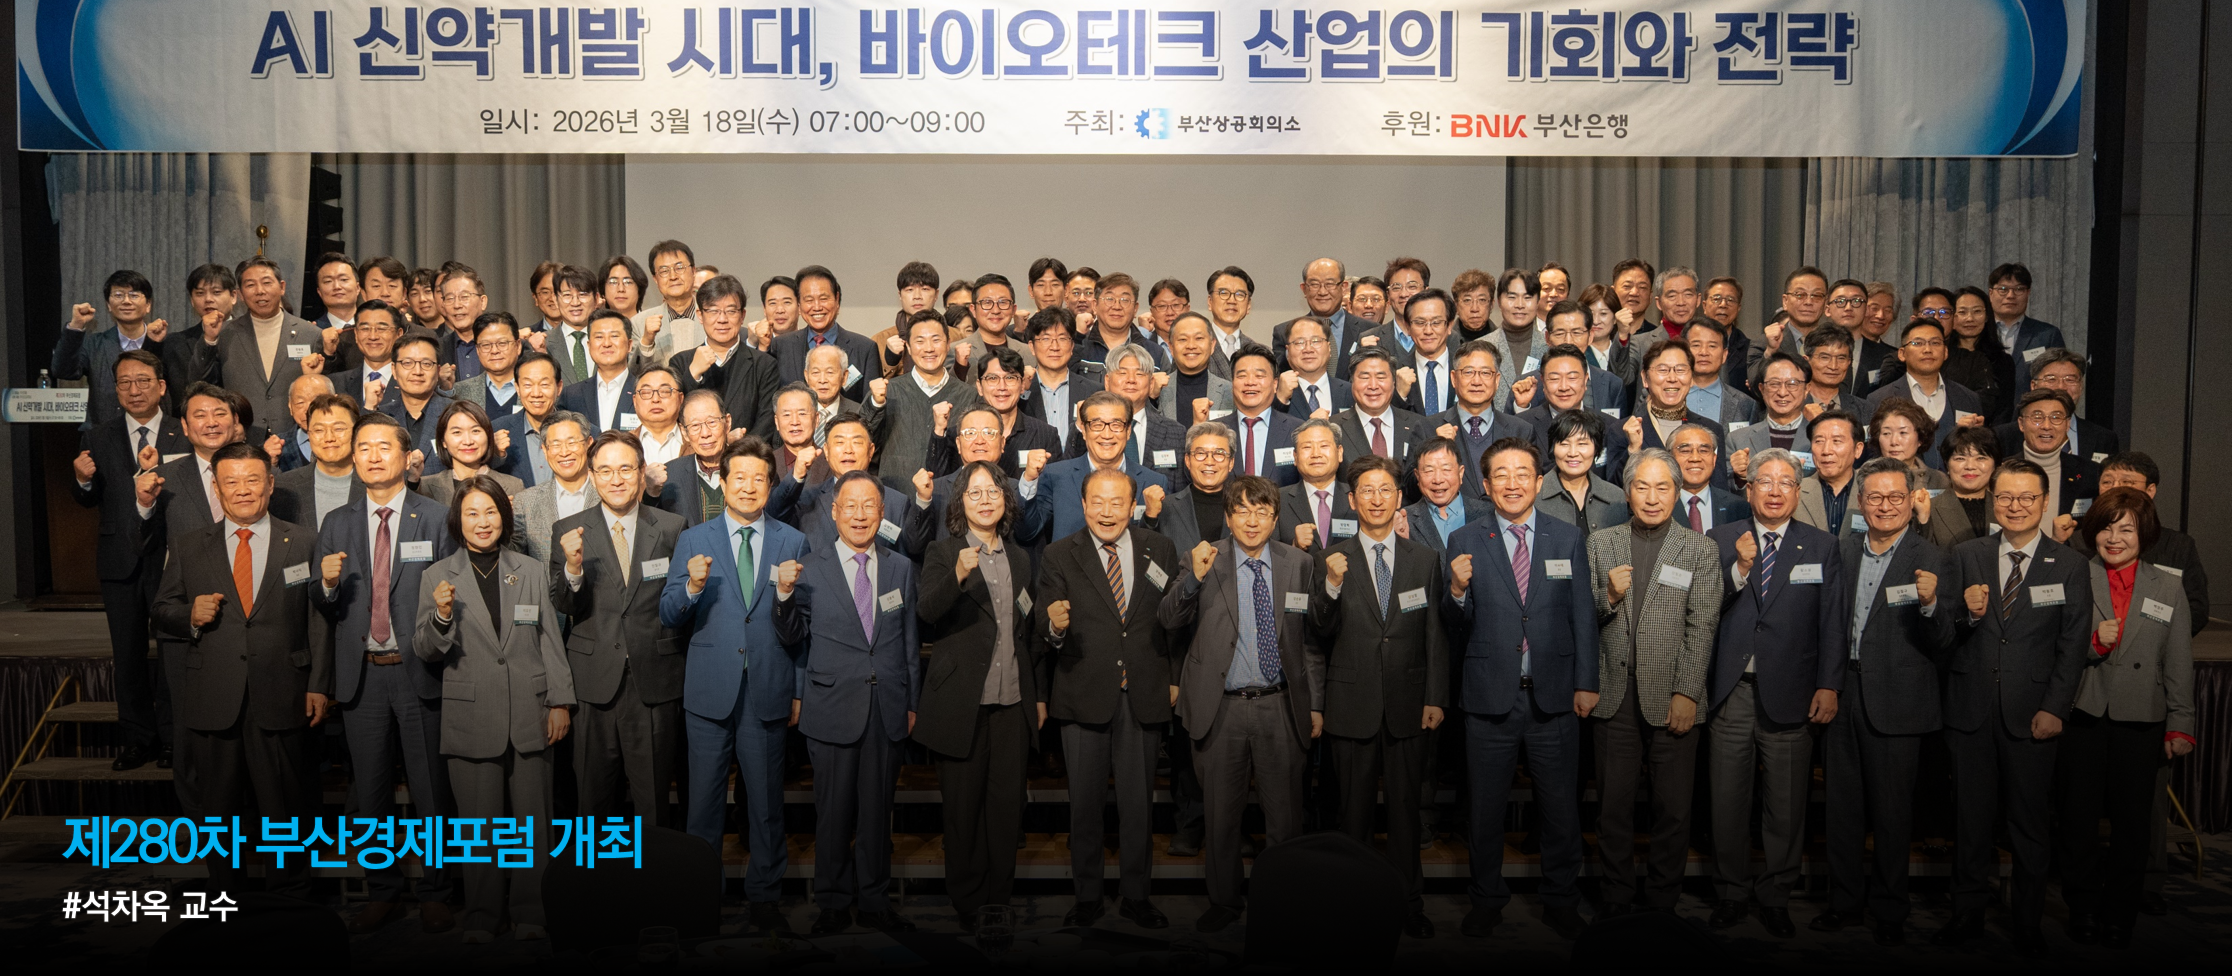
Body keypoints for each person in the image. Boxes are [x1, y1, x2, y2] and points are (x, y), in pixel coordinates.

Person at [151, 441, 329, 894]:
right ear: (217, 487)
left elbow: (318, 620)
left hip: (284, 692)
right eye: (231, 482)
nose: (243, 490)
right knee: (218, 813)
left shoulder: (304, 541)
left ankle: (290, 903)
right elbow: (161, 610)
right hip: (214, 696)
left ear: (270, 484)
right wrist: (189, 615)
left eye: (253, 480)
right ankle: (226, 902)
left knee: (286, 811)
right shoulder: (190, 546)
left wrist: (319, 684)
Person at [654, 437, 812, 934]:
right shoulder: (693, 539)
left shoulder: (792, 541)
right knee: (702, 807)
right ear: (722, 484)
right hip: (708, 692)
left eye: (758, 478)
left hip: (768, 687)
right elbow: (668, 613)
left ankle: (765, 899)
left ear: (770, 485)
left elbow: (802, 629)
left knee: (765, 806)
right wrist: (692, 587)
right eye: (738, 477)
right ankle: (701, 900)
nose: (748, 486)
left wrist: (798, 688)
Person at [1934, 458, 2091, 957]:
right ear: (1993, 501)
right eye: (2005, 497)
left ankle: (2027, 922)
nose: (2015, 506)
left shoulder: (2069, 564)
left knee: (2029, 826)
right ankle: (1966, 916)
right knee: (1970, 823)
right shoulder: (1967, 555)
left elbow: (2073, 645)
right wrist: (1967, 614)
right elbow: (1943, 633)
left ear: (2044, 503)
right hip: (1971, 711)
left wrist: (2056, 708)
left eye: (2026, 498)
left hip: (2033, 713)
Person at [1441, 438, 1595, 939]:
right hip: (1489, 696)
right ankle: (1486, 899)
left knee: (1560, 808)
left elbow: (1582, 614)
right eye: (1501, 475)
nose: (1512, 484)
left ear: (1539, 481)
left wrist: (1586, 682)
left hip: (1554, 694)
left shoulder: (1566, 537)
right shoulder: (1465, 538)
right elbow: (1453, 626)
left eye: (1522, 474)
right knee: (1484, 809)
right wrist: (1456, 591)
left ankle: (1561, 899)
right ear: (1485, 486)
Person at [312, 412, 456, 933]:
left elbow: (452, 595)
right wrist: (326, 586)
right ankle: (383, 890)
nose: (373, 456)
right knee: (370, 794)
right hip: (363, 676)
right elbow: (322, 607)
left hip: (420, 671)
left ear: (406, 456)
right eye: (363, 448)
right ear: (354, 458)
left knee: (431, 791)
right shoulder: (337, 522)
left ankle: (438, 892)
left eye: (383, 447)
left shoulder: (436, 517)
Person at [1159, 473, 1322, 933]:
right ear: (1228, 518)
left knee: (1284, 818)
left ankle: (1282, 905)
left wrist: (1315, 702)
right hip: (1221, 707)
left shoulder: (1298, 564)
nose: (1252, 521)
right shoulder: (1204, 558)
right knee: (1222, 818)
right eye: (1242, 511)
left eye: (1262, 512)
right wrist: (1194, 578)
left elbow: (1310, 642)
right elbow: (1168, 618)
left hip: (1280, 706)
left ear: (1275, 517)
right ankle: (1224, 901)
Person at [412, 475, 572, 942]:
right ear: (457, 521)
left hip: (531, 709)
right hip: (471, 714)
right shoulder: (437, 575)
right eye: (472, 514)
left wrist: (560, 700)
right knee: (478, 829)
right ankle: (483, 915)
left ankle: (532, 912)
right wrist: (442, 616)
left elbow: (549, 639)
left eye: (491, 512)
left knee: (533, 826)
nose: (483, 522)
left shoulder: (531, 569)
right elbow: (424, 649)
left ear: (504, 516)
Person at [1813, 457, 1956, 945]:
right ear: (1861, 501)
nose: (1885, 506)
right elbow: (1830, 624)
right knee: (1842, 810)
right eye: (1874, 497)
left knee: (1893, 815)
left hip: (1900, 701)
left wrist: (1931, 604)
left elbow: (1945, 642)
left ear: (1912, 501)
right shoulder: (1843, 551)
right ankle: (1844, 904)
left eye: (1896, 497)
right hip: (1843, 694)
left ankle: (1891, 909)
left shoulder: (1932, 557)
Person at [1705, 448, 1846, 938]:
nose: (1775, 491)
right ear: (1748, 490)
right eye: (1765, 482)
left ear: (1798, 491)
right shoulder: (1721, 539)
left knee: (1785, 806)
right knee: (1727, 801)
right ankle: (1730, 893)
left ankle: (1775, 896)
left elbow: (1832, 623)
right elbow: (1704, 608)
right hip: (1731, 692)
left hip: (1793, 692)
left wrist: (1829, 684)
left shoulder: (1822, 545)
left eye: (1786, 483)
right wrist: (1740, 570)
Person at [1032, 466, 1182, 927]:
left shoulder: (1160, 548)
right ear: (1083, 505)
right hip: (1083, 693)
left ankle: (1137, 896)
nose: (1107, 511)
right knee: (1085, 807)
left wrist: (1174, 676)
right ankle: (1088, 898)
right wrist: (1054, 625)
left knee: (1138, 807)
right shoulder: (1059, 554)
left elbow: (1174, 620)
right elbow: (1044, 622)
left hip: (1143, 692)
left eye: (1117, 502)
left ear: (1133, 507)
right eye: (1097, 502)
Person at [1308, 455, 1448, 938]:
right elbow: (1318, 629)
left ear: (1399, 497)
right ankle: (1356, 904)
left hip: (1409, 703)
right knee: (1353, 814)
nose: (1376, 499)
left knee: (1407, 812)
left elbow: (1434, 634)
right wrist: (1331, 585)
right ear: (1351, 500)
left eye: (1385, 490)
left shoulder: (1424, 559)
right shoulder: (1331, 558)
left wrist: (1435, 696)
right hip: (1352, 703)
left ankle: (1409, 903)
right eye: (1366, 491)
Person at [774, 471, 919, 934]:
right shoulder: (809, 568)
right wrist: (782, 597)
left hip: (886, 707)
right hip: (831, 706)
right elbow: (792, 636)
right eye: (850, 506)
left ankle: (875, 900)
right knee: (833, 814)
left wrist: (911, 702)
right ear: (834, 512)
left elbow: (908, 642)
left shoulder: (900, 568)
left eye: (868, 506)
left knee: (878, 814)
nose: (859, 515)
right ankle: (833, 902)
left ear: (882, 512)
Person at [1586, 446, 1723, 916]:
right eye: (1641, 487)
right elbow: (1583, 618)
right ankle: (1616, 900)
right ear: (1627, 493)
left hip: (1673, 697)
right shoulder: (1601, 544)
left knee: (1673, 811)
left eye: (1662, 487)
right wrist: (1608, 596)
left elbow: (1702, 625)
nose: (1651, 497)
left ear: (1677, 492)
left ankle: (1663, 904)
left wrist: (1687, 692)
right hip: (1615, 697)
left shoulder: (1700, 549)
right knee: (1613, 810)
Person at [2054, 488, 2194, 950]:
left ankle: (2120, 914)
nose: (2114, 538)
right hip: (2084, 712)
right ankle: (2082, 908)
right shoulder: (2074, 575)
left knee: (2134, 826)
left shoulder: (2167, 586)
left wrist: (2181, 722)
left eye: (2126, 529)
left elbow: (2178, 661)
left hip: (2141, 717)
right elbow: (2050, 647)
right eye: (2107, 528)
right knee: (2077, 819)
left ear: (2144, 534)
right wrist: (2093, 643)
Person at [911, 462, 1039, 930]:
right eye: (975, 493)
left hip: (1012, 701)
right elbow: (926, 612)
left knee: (1006, 810)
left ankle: (997, 900)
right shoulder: (943, 552)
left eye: (993, 492)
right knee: (963, 811)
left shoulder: (1020, 558)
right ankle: (967, 901)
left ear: (1006, 500)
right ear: (960, 503)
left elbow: (1025, 627)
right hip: (960, 701)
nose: (985, 500)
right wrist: (957, 576)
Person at [551, 430, 687, 830]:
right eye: (606, 470)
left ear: (642, 473)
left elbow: (677, 603)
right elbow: (565, 605)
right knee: (591, 800)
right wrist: (572, 569)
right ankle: (593, 873)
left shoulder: (671, 527)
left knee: (653, 802)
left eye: (626, 469)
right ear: (592, 475)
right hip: (593, 682)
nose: (616, 479)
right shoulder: (569, 529)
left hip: (654, 680)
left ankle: (652, 871)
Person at [72, 349, 187, 770]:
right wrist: (82, 481)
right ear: (115, 390)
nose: (134, 390)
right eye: (124, 382)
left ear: (161, 386)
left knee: (173, 653)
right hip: (119, 559)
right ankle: (140, 739)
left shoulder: (183, 431)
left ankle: (174, 737)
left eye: (143, 381)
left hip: (172, 558)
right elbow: (88, 501)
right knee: (127, 655)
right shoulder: (97, 436)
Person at [767, 413, 934, 556]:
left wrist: (923, 501)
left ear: (871, 451)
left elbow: (915, 550)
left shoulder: (896, 503)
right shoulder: (805, 501)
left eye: (857, 442)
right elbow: (773, 519)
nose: (848, 450)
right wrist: (796, 476)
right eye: (839, 442)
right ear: (826, 451)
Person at [194, 258, 324, 441]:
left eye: (266, 282)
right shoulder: (224, 333)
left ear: (282, 287)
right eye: (250, 285)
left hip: (297, 438)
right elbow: (200, 382)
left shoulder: (310, 334)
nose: (260, 291)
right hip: (243, 438)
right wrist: (209, 340)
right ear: (240, 294)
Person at [1030, 391, 1171, 545]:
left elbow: (1159, 546)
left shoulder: (1154, 482)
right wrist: (1028, 481)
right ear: (1084, 431)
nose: (1107, 435)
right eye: (1097, 425)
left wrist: (1150, 518)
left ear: (1128, 431)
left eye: (1116, 425)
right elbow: (1029, 532)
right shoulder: (1056, 476)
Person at [865, 310, 979, 490]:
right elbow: (862, 437)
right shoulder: (888, 391)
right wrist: (876, 404)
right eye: (920, 341)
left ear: (948, 344)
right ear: (909, 348)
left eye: (936, 340)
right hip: (897, 494)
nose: (929, 348)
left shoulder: (968, 396)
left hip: (951, 497)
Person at [910, 403, 1054, 544]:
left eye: (989, 433)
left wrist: (1029, 481)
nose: (979, 441)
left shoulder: (1021, 490)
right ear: (958, 444)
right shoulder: (935, 491)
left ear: (1002, 443)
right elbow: (914, 546)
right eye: (970, 433)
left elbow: (1028, 534)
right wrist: (923, 501)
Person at [54, 271, 172, 432]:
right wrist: (75, 326)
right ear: (108, 305)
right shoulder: (94, 344)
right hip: (103, 435)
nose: (126, 301)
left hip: (154, 434)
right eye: (118, 295)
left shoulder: (165, 343)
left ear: (148, 305)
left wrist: (152, 344)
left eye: (134, 295)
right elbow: (63, 371)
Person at [670, 275, 780, 445]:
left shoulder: (764, 365)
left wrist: (733, 447)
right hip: (695, 457)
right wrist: (693, 375)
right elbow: (674, 417)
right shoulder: (680, 362)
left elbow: (767, 422)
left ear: (742, 316)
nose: (722, 319)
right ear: (700, 315)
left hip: (747, 456)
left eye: (731, 311)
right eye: (713, 311)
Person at [1863, 318, 1984, 464]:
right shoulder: (1878, 399)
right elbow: (1872, 454)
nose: (1927, 350)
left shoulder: (1968, 398)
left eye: (1935, 343)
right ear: (1902, 353)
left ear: (1945, 352)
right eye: (1918, 343)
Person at [1430, 340, 1539, 502]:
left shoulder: (1521, 431)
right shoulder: (1429, 427)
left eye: (1485, 373)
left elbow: (1532, 485)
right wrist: (1437, 450)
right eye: (1468, 372)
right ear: (1453, 378)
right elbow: (1412, 487)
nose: (1476, 381)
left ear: (1497, 380)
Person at [772, 266, 879, 404]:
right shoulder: (780, 346)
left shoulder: (865, 349)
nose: (817, 307)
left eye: (823, 299)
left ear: (837, 299)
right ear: (799, 304)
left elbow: (871, 406)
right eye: (809, 300)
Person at [1992, 349, 2121, 463]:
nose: (2061, 387)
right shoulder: (2003, 436)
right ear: (2033, 386)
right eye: (2051, 379)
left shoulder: (2104, 438)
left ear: (2080, 387)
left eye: (2070, 380)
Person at [509, 411, 595, 565]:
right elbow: (512, 558)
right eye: (555, 444)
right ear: (545, 450)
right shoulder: (525, 502)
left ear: (589, 443)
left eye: (572, 442)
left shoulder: (609, 495)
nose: (564, 452)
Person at [2007, 389, 2101, 524]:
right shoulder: (2001, 470)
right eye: (2037, 417)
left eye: (2056, 418)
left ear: (2067, 425)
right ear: (2021, 424)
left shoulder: (2090, 472)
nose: (2046, 426)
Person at [274, 391, 363, 531]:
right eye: (319, 430)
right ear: (309, 435)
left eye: (338, 428)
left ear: (357, 432)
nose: (329, 438)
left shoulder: (375, 484)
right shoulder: (283, 487)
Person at [1535, 411, 1629, 537]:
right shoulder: (1534, 495)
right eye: (1564, 444)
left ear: (1596, 448)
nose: (1573, 453)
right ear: (1553, 448)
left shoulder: (1615, 496)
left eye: (1582, 444)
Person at [417, 400, 525, 506]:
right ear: (443, 441)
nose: (468, 441)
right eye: (457, 432)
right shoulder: (424, 487)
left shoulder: (513, 486)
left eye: (475, 431)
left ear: (488, 436)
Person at [1272, 258, 1366, 377]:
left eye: (1330, 284)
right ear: (1304, 289)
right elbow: (1281, 378)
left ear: (1343, 287)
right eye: (1314, 285)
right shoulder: (1284, 332)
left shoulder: (1368, 330)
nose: (1322, 292)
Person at [1225, 344, 1303, 487]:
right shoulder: (1216, 431)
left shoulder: (1298, 430)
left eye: (1259, 376)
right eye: (1242, 376)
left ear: (1275, 384)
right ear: (1232, 383)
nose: (1250, 382)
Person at [1727, 353, 1814, 478]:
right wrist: (1739, 479)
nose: (1782, 392)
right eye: (1774, 383)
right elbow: (1725, 487)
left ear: (1807, 389)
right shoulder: (1737, 439)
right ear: (1762, 389)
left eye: (1792, 383)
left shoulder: (1820, 437)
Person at [656, 390, 735, 527]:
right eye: (695, 426)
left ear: (727, 423)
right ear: (684, 432)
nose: (705, 433)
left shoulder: (751, 468)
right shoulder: (671, 475)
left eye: (712, 422)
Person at [1336, 349, 1427, 466]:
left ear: (1393, 382)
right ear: (1352, 382)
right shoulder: (1333, 428)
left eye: (1381, 377)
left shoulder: (1418, 425)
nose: (1373, 386)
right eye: (1365, 377)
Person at [1275, 419, 1354, 554]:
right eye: (1307, 447)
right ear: (1295, 457)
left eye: (1324, 446)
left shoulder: (1358, 497)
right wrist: (1294, 547)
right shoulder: (1277, 500)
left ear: (1339, 453)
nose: (1316, 454)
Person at [556, 309, 639, 434]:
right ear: (589, 346)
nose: (606, 343)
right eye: (599, 337)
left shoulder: (644, 392)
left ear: (629, 344)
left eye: (614, 336)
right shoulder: (571, 395)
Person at [1986, 263, 2066, 391]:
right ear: (1991, 294)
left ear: (2028, 293)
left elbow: (2058, 380)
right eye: (2003, 289)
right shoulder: (1979, 331)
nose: (2010, 295)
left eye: (2019, 289)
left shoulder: (2047, 335)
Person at [381, 333, 455, 468]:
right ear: (394, 370)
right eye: (407, 363)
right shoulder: (381, 417)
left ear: (438, 371)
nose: (417, 371)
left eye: (426, 364)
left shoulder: (456, 414)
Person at [1402, 438, 1488, 551]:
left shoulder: (1489, 514)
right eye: (1429, 471)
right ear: (1417, 476)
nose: (1438, 480)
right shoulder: (1403, 521)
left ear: (1460, 473)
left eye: (1446, 469)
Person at [1793, 410, 1866, 544]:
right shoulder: (1794, 491)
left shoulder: (1872, 493)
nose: (1826, 450)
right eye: (1819, 441)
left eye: (1837, 441)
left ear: (1858, 449)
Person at [1945, 286, 2015, 423]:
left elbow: (2004, 410)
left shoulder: (2002, 361)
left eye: (1977, 311)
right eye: (1962, 312)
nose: (1970, 318)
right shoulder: (1941, 356)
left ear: (1987, 316)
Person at [330, 299, 407, 415]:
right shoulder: (336, 384)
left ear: (399, 334)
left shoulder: (412, 381)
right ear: (356, 334)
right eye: (365, 329)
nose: (373, 336)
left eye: (381, 328)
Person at [632, 240, 702, 366]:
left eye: (679, 268)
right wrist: (647, 341)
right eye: (664, 271)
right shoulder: (639, 323)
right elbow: (634, 372)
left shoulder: (713, 316)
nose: (673, 276)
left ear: (693, 271)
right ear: (655, 278)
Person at [1667, 424, 1748, 531]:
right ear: (1670, 458)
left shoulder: (1738, 507)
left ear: (1714, 459)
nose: (1695, 458)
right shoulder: (1658, 505)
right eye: (1685, 451)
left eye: (1703, 451)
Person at [1679, 321, 1759, 429]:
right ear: (1683, 351)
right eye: (1696, 345)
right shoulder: (1666, 397)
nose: (1704, 352)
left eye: (1712, 346)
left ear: (1724, 355)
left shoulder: (1745, 404)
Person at [1157, 313, 1234, 422]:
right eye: (1183, 339)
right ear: (1171, 348)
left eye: (1199, 338)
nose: (1191, 346)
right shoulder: (1157, 390)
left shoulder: (1230, 391)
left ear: (1212, 345)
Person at [1394, 288, 1459, 417]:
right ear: (1408, 327)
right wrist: (1399, 396)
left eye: (1436, 322)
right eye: (1420, 323)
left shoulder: (1465, 370)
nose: (1428, 331)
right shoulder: (1395, 371)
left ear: (1449, 326)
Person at [450, 312, 525, 419]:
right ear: (477, 350)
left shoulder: (534, 389)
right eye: (486, 345)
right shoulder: (459, 392)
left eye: (502, 343)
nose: (494, 351)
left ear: (518, 346)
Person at [1275, 316, 1352, 419]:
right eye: (1299, 342)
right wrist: (1281, 399)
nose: (1308, 349)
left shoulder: (1351, 391)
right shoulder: (1274, 392)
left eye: (1316, 341)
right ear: (1288, 351)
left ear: (1329, 348)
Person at [1868, 398, 1951, 490]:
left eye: (1903, 433)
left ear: (1920, 439)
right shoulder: (1862, 478)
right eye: (1886, 433)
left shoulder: (1939, 480)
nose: (1894, 442)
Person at [1801, 326, 1872, 423]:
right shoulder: (1791, 406)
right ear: (1806, 361)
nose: (1833, 366)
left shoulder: (1864, 409)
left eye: (1841, 358)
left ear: (1849, 362)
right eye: (1825, 357)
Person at [1942, 426, 1999, 542]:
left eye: (1981, 458)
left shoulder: (2006, 506)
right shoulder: (1928, 509)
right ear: (1947, 465)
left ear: (1995, 465)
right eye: (1960, 458)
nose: (1970, 466)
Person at [1200, 267, 1255, 372]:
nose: (1232, 301)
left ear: (1248, 305)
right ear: (1210, 302)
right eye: (1224, 293)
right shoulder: (1194, 347)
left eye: (1240, 295)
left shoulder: (1260, 352)